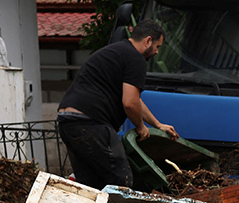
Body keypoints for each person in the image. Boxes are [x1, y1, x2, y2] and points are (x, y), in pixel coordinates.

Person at [56, 20, 177, 190]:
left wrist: (157, 124)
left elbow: (136, 100)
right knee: (121, 181)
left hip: (68, 122)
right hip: (91, 123)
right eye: (158, 46)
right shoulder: (136, 58)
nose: (157, 52)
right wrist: (141, 127)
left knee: (91, 185)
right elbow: (129, 103)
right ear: (148, 40)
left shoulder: (118, 51)